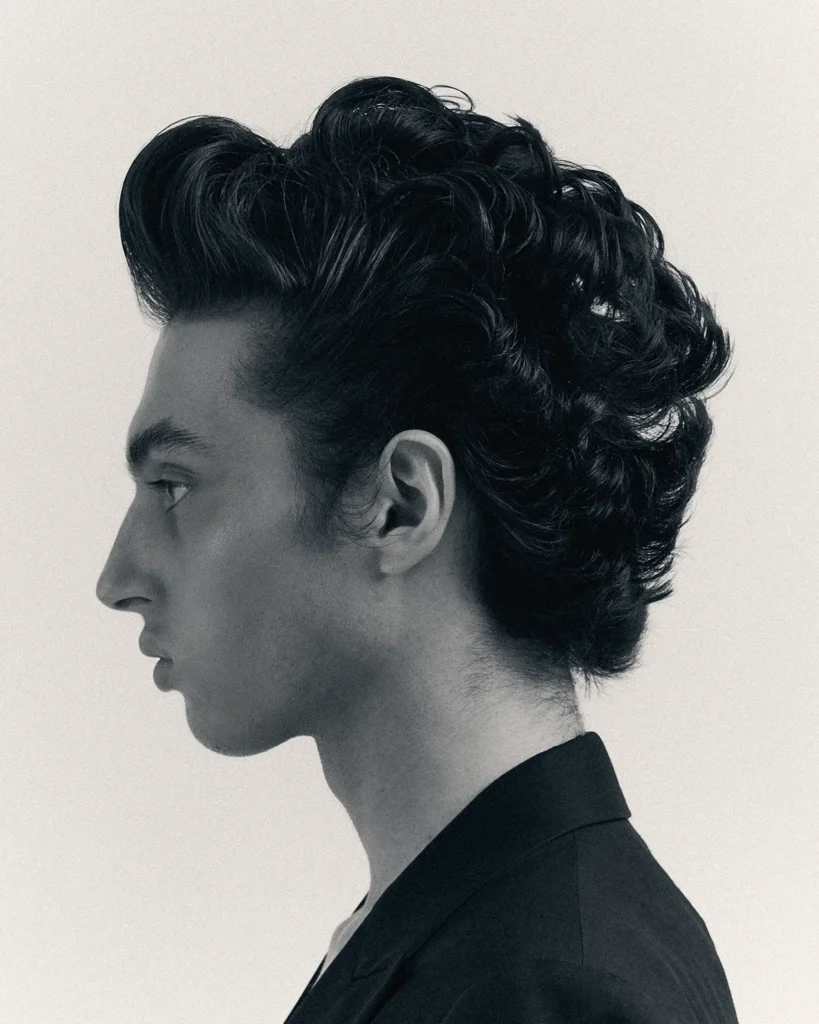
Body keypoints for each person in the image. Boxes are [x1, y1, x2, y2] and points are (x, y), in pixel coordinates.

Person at [96, 76, 738, 1022]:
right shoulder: (465, 937)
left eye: (174, 488)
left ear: (400, 506)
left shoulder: (548, 990)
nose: (118, 579)